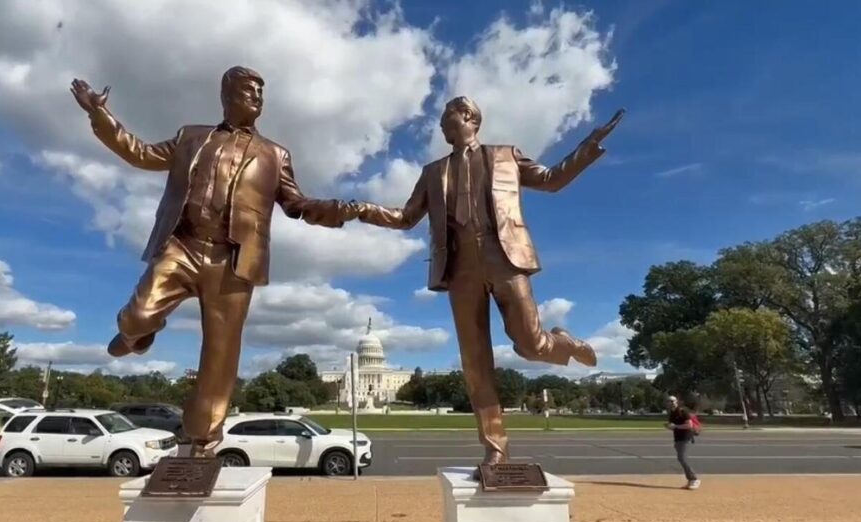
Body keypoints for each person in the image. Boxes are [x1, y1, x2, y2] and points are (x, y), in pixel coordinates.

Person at [70, 67, 359, 457]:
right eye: (248, 90)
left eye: (261, 92)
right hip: (183, 246)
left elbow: (296, 203)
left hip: (233, 260)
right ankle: (134, 336)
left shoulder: (275, 154)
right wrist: (99, 115)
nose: (257, 98)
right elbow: (139, 153)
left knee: (220, 356)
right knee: (137, 314)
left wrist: (334, 210)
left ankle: (201, 442)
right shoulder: (191, 137)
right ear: (226, 95)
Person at [352, 96, 622, 468]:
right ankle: (496, 449)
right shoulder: (433, 172)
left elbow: (551, 180)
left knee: (530, 345)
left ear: (469, 118)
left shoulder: (505, 155)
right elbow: (404, 217)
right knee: (475, 362)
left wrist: (588, 146)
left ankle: (561, 343)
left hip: (504, 258)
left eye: (448, 119)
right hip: (459, 268)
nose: (442, 127)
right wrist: (363, 209)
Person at [666, 395, 700, 489]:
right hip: (678, 438)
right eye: (669, 401)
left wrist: (675, 426)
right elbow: (675, 426)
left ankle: (694, 479)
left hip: (685, 438)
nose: (671, 403)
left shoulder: (683, 411)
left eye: (673, 401)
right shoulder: (671, 413)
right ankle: (690, 480)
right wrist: (670, 426)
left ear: (677, 401)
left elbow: (689, 425)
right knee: (681, 458)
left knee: (682, 458)